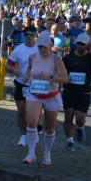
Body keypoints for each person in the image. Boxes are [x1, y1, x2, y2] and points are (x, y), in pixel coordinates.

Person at [21, 32, 70, 165]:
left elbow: (65, 79)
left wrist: (49, 78)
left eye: (44, 47)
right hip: (34, 93)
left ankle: (47, 152)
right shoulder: (33, 57)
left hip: (51, 96)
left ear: (50, 46)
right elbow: (30, 69)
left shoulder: (56, 60)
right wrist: (27, 76)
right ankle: (31, 152)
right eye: (39, 47)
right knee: (31, 122)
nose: (42, 49)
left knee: (49, 127)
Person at [62, 32, 91, 149]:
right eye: (78, 43)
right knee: (68, 116)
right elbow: (60, 70)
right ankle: (70, 141)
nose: (79, 45)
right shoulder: (68, 57)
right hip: (69, 91)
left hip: (84, 93)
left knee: (80, 119)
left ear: (87, 44)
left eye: (82, 44)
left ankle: (80, 128)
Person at [5, 26, 39, 146]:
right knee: (21, 112)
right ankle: (23, 136)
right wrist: (14, 70)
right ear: (24, 35)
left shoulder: (40, 48)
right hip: (21, 83)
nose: (29, 36)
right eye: (27, 34)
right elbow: (8, 65)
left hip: (36, 84)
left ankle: (36, 128)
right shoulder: (18, 50)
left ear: (36, 35)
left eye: (32, 34)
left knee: (36, 112)